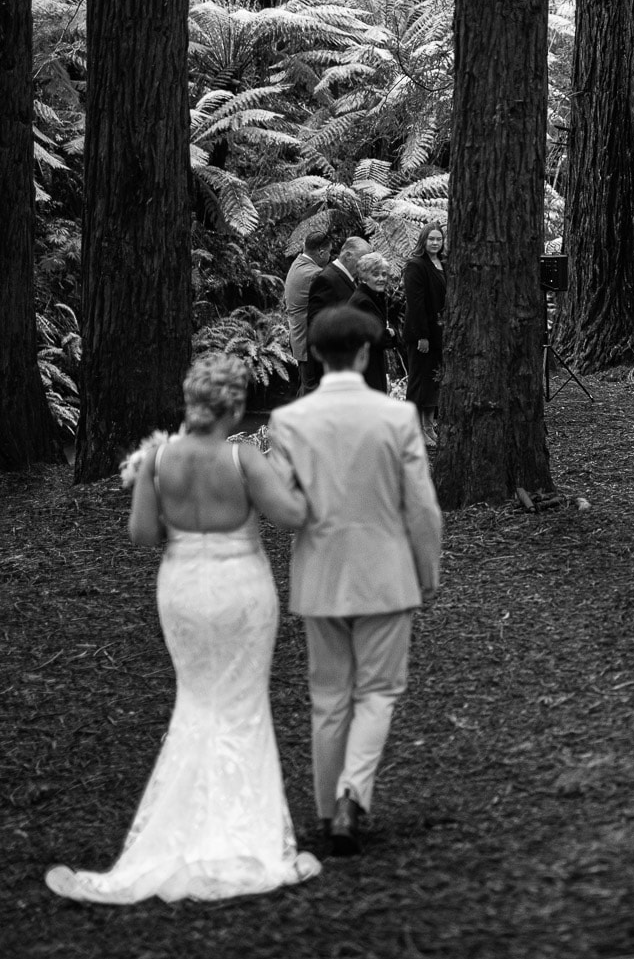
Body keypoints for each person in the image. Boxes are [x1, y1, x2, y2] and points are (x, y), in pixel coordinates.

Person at [46, 354, 321, 904]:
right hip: (241, 585)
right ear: (236, 405)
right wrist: (293, 467)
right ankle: (245, 835)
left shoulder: (156, 458)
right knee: (242, 703)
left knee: (195, 701)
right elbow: (293, 515)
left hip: (182, 590)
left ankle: (184, 829)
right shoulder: (244, 458)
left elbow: (144, 534)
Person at [266, 306, 442, 857]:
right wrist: (427, 568)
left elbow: (285, 508)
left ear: (316, 353)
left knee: (328, 696)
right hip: (386, 573)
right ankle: (351, 795)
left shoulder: (290, 421)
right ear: (366, 354)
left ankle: (325, 813)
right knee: (379, 690)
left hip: (320, 574)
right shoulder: (396, 419)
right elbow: (422, 508)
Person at [304, 236, 371, 391]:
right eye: (362, 259)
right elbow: (317, 323)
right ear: (348, 255)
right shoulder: (327, 279)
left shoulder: (351, 279)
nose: (365, 265)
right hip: (332, 366)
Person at [402, 223, 447, 445]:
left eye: (439, 239)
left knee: (433, 383)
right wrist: (422, 335)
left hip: (439, 333)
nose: (435, 243)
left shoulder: (442, 264)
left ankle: (429, 427)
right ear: (423, 240)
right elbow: (415, 303)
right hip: (422, 334)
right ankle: (416, 430)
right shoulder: (415, 265)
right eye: (431, 239)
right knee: (419, 382)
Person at [284, 231, 334, 393]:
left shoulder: (297, 263)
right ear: (321, 252)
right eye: (329, 252)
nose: (330, 256)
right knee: (311, 389)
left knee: (306, 385)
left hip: (298, 338)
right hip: (308, 340)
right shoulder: (314, 273)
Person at [347, 251, 400, 394]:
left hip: (371, 363)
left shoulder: (373, 297)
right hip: (366, 367)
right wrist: (392, 333)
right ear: (364, 276)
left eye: (384, 274)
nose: (381, 278)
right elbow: (379, 338)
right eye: (376, 274)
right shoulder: (363, 301)